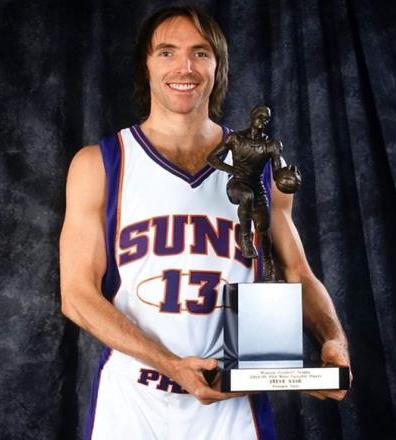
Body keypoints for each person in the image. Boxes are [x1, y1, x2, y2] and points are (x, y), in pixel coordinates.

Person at [59, 6, 351, 439]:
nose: (185, 67)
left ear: (218, 67)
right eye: (167, 52)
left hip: (233, 403)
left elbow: (297, 273)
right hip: (133, 401)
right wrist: (170, 364)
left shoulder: (260, 169)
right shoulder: (101, 164)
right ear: (146, 65)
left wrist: (333, 338)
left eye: (200, 53)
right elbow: (77, 295)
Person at [207, 104, 302, 281]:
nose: (263, 121)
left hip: (257, 186)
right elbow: (212, 158)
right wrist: (232, 169)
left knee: (263, 226)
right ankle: (245, 238)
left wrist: (290, 176)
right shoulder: (235, 139)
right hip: (237, 184)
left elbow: (276, 173)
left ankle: (267, 262)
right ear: (252, 116)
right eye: (260, 116)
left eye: (266, 118)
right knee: (246, 196)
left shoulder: (271, 145)